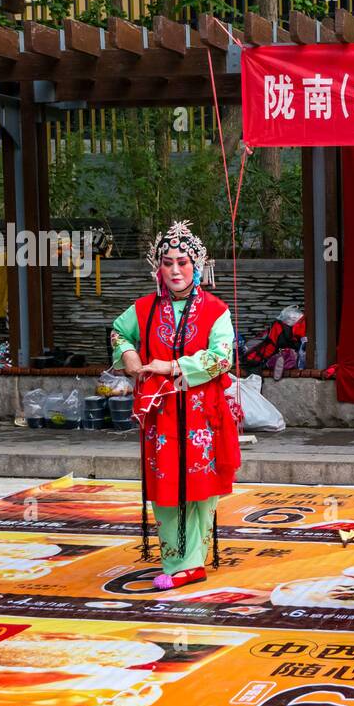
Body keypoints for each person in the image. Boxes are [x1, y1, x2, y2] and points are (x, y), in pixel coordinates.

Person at [110, 221, 241, 591]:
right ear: (158, 268)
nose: (175, 269)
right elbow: (118, 332)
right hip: (163, 418)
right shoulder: (144, 308)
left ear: (197, 264)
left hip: (203, 415)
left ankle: (191, 560)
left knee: (201, 488)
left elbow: (221, 358)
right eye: (167, 262)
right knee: (167, 488)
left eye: (183, 261)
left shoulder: (216, 310)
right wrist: (131, 357)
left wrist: (171, 366)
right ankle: (179, 561)